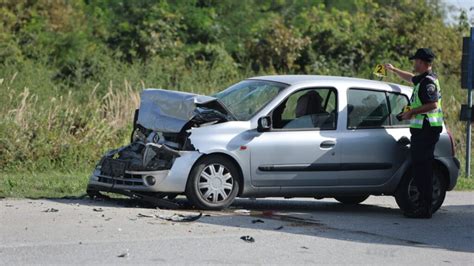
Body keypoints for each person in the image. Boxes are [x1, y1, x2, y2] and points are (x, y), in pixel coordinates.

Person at [385, 48, 443, 219]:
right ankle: (423, 207)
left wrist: (411, 113)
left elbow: (432, 105)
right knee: (420, 168)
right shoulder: (422, 79)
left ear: (423, 63)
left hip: (427, 130)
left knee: (423, 170)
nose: (414, 64)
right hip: (422, 131)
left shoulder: (428, 82)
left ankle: (425, 209)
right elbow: (410, 78)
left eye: (416, 61)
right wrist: (394, 70)